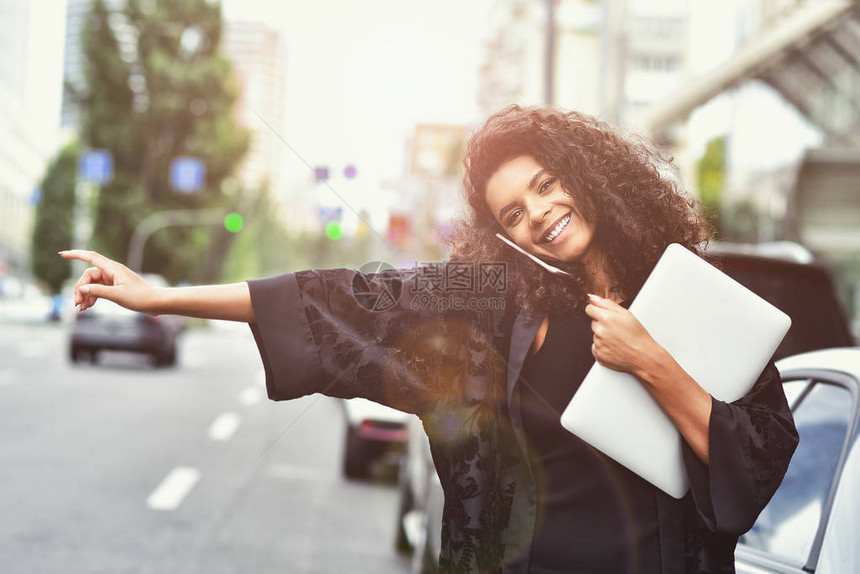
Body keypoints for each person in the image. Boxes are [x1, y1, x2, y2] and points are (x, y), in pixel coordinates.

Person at [60, 105, 798, 574]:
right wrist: (160, 296)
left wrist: (651, 362)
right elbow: (343, 298)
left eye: (545, 185)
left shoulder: (692, 296)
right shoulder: (491, 302)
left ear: (587, 176)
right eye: (512, 213)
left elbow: (758, 461)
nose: (538, 214)